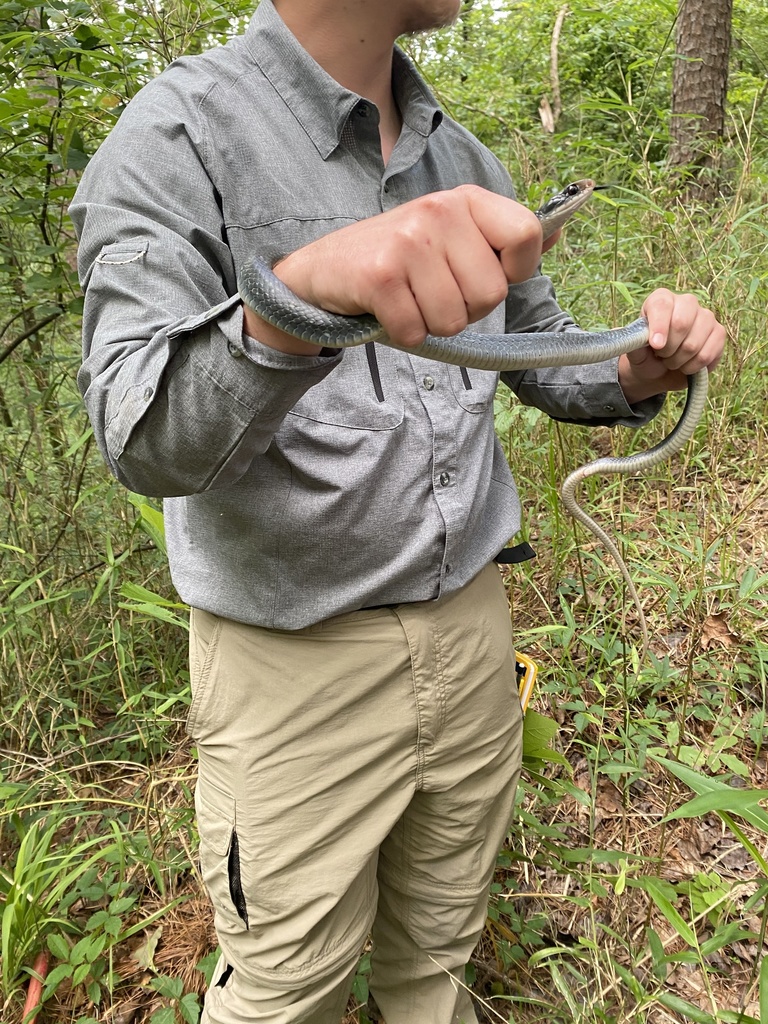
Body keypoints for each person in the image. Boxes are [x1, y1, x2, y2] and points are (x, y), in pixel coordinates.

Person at [71, 1, 725, 1021]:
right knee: (286, 990)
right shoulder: (177, 132)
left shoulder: (457, 153)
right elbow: (140, 439)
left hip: (474, 633)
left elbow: (532, 347)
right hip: (293, 673)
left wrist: (634, 367)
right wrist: (294, 304)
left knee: (439, 954)